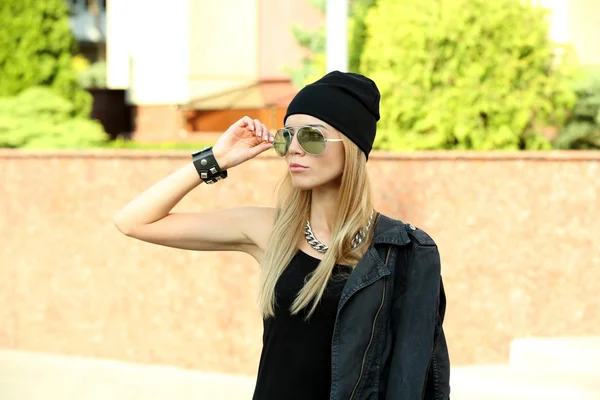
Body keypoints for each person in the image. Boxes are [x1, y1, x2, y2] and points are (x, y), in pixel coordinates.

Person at [114, 71, 450, 399]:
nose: (294, 149)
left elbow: (419, 373)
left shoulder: (399, 250)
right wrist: (216, 159)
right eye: (286, 136)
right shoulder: (270, 231)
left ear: (350, 146)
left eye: (312, 137)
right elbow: (134, 221)